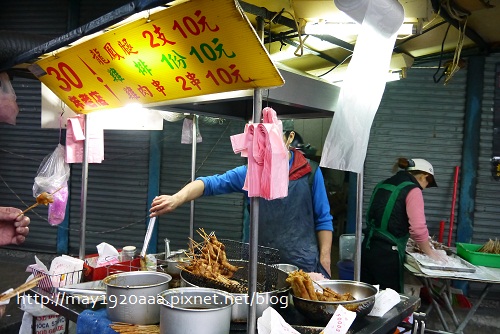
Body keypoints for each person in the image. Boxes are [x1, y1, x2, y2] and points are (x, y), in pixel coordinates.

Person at [150, 130, 334, 277]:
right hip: (259, 264)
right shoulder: (251, 173)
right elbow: (209, 183)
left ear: (289, 138)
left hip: (302, 264)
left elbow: (323, 218)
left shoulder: (310, 171)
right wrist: (177, 198)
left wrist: (325, 258)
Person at [361, 157, 446, 292]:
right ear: (425, 176)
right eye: (428, 183)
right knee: (387, 302)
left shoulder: (382, 184)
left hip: (367, 248)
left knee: (366, 298)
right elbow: (418, 229)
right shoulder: (413, 190)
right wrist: (430, 253)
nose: (424, 188)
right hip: (387, 256)